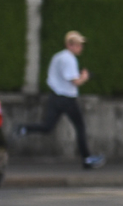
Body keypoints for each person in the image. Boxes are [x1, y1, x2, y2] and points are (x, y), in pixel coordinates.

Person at [42, 30, 104, 170]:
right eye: (78, 45)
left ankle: (23, 129)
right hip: (67, 99)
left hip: (55, 96)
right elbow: (75, 81)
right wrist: (85, 77)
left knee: (47, 127)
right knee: (80, 127)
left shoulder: (58, 57)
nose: (81, 48)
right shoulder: (69, 59)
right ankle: (87, 160)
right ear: (70, 45)